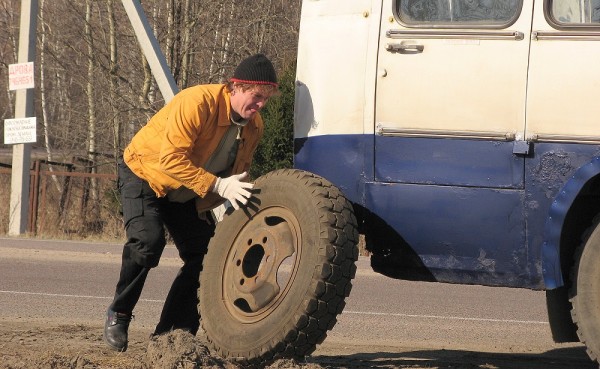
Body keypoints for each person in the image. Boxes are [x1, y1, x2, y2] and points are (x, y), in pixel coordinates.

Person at [103, 54, 278, 352]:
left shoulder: (254, 126)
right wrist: (218, 184)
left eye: (266, 98)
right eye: (256, 96)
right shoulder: (197, 102)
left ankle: (171, 337)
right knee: (148, 243)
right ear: (235, 87)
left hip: (186, 191)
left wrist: (240, 219)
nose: (260, 105)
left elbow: (238, 178)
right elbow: (170, 160)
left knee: (206, 258)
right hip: (145, 174)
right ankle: (119, 314)